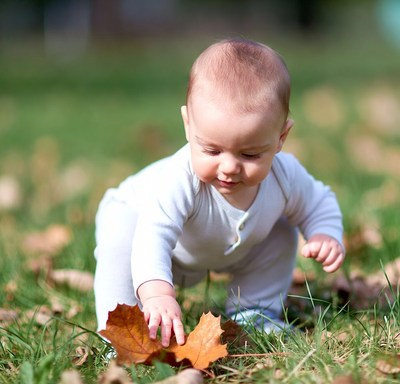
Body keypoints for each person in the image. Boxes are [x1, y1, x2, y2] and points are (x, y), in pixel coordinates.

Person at [94, 38, 345, 348]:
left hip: (223, 248)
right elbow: (152, 237)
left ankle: (253, 312)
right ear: (188, 125)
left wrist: (325, 233)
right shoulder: (179, 178)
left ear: (281, 138)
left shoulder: (285, 175)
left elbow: (319, 201)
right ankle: (121, 331)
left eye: (250, 155)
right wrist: (157, 293)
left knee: (282, 232)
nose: (229, 167)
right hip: (139, 224)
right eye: (212, 150)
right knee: (121, 245)